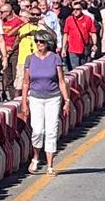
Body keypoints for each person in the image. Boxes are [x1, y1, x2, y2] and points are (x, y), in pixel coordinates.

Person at [17, 33, 71, 173]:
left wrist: (66, 100)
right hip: (36, 98)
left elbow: (61, 80)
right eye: (37, 41)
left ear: (47, 43)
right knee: (38, 130)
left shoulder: (55, 58)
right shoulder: (30, 59)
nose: (39, 44)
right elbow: (25, 82)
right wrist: (24, 102)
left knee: (52, 130)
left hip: (53, 98)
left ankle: (50, 165)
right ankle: (35, 157)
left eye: (42, 41)